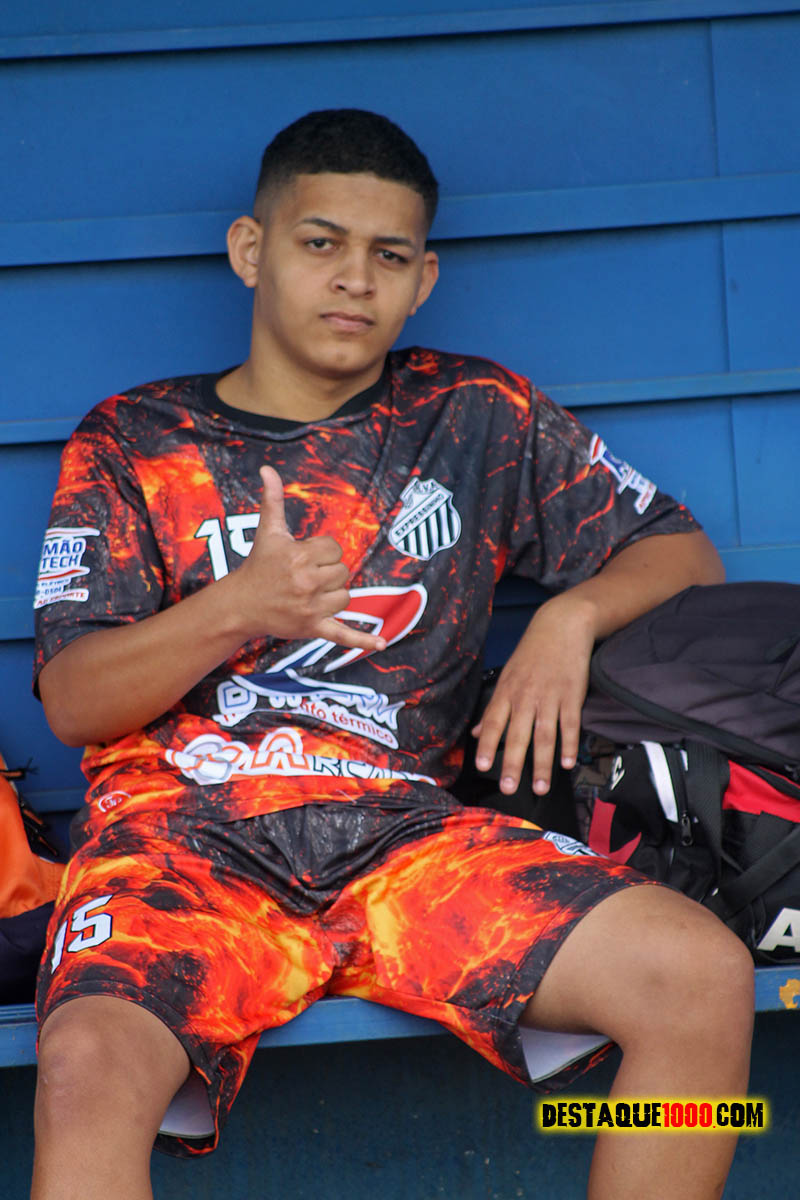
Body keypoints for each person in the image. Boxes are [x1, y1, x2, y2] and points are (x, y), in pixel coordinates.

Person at [31, 109, 753, 1200]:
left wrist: (565, 620)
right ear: (250, 250)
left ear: (423, 279)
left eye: (389, 254)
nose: (354, 279)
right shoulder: (135, 440)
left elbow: (679, 553)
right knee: (87, 1062)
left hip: (405, 841)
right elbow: (75, 702)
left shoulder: (475, 414)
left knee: (701, 974)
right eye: (320, 242)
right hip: (184, 844)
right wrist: (239, 607)